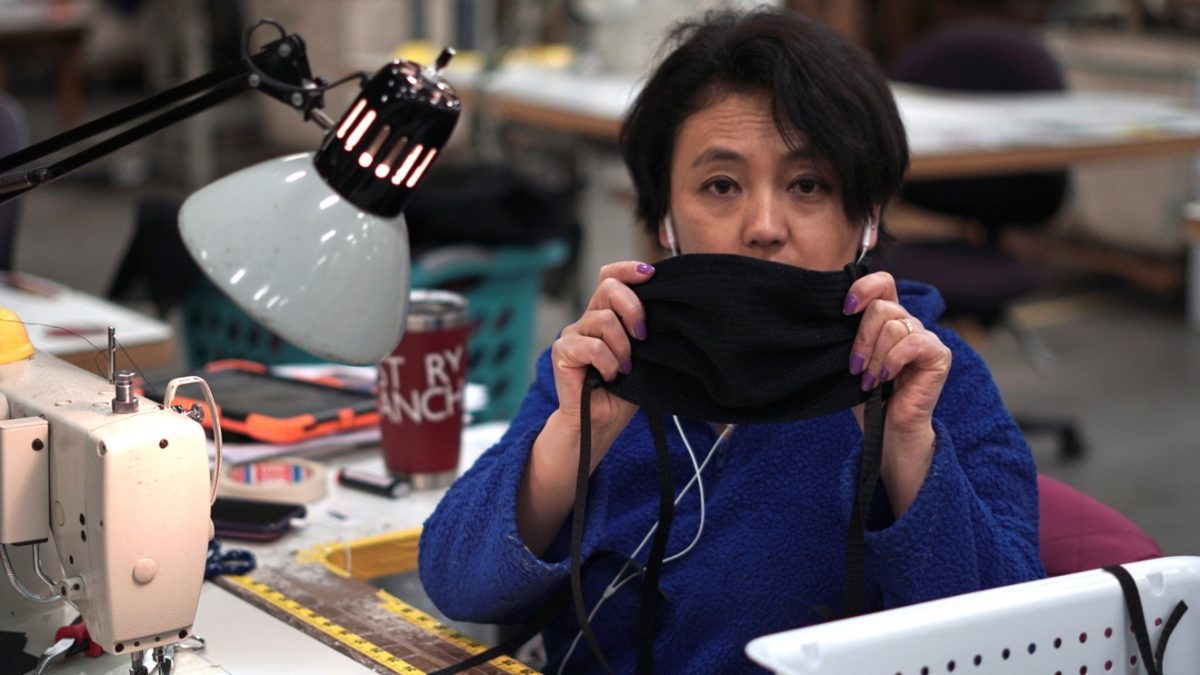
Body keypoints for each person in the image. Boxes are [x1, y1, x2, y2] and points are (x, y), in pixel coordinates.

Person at [419, 7, 1044, 673]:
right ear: (666, 218)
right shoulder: (608, 360)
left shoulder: (934, 378)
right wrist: (575, 435)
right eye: (721, 185)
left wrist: (908, 446)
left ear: (866, 217)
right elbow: (456, 583)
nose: (764, 226)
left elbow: (1013, 647)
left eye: (808, 185)